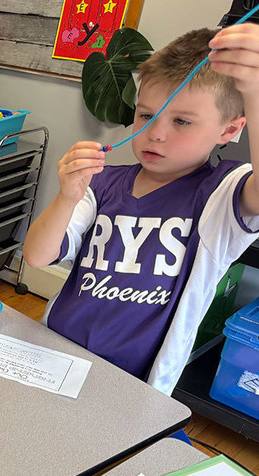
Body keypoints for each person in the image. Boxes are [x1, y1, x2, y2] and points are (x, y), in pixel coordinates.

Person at [23, 26, 259, 394]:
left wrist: (254, 91)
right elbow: (37, 256)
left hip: (133, 383)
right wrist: (66, 196)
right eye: (146, 115)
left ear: (229, 130)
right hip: (56, 352)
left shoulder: (222, 193)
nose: (156, 133)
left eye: (181, 121)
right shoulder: (103, 183)